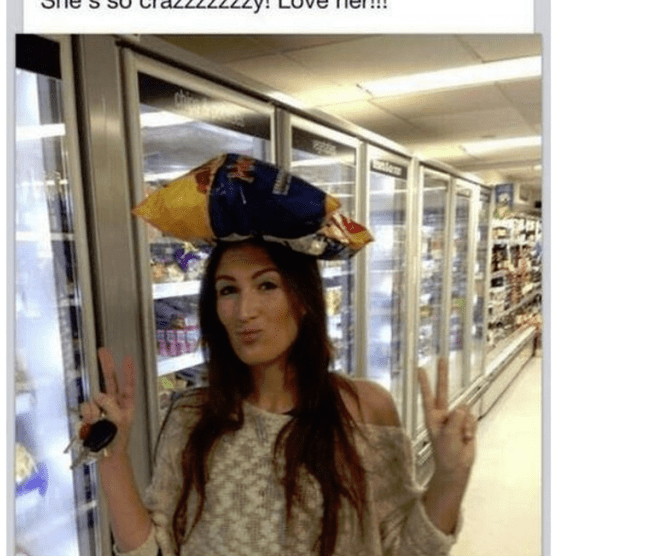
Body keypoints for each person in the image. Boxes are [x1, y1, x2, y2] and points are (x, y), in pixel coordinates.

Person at [82, 237, 477, 556]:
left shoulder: (364, 409)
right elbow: (156, 550)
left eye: (267, 285)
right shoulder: (191, 416)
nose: (244, 310)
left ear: (303, 300)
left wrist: (450, 476)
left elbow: (405, 549)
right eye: (227, 290)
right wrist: (113, 458)